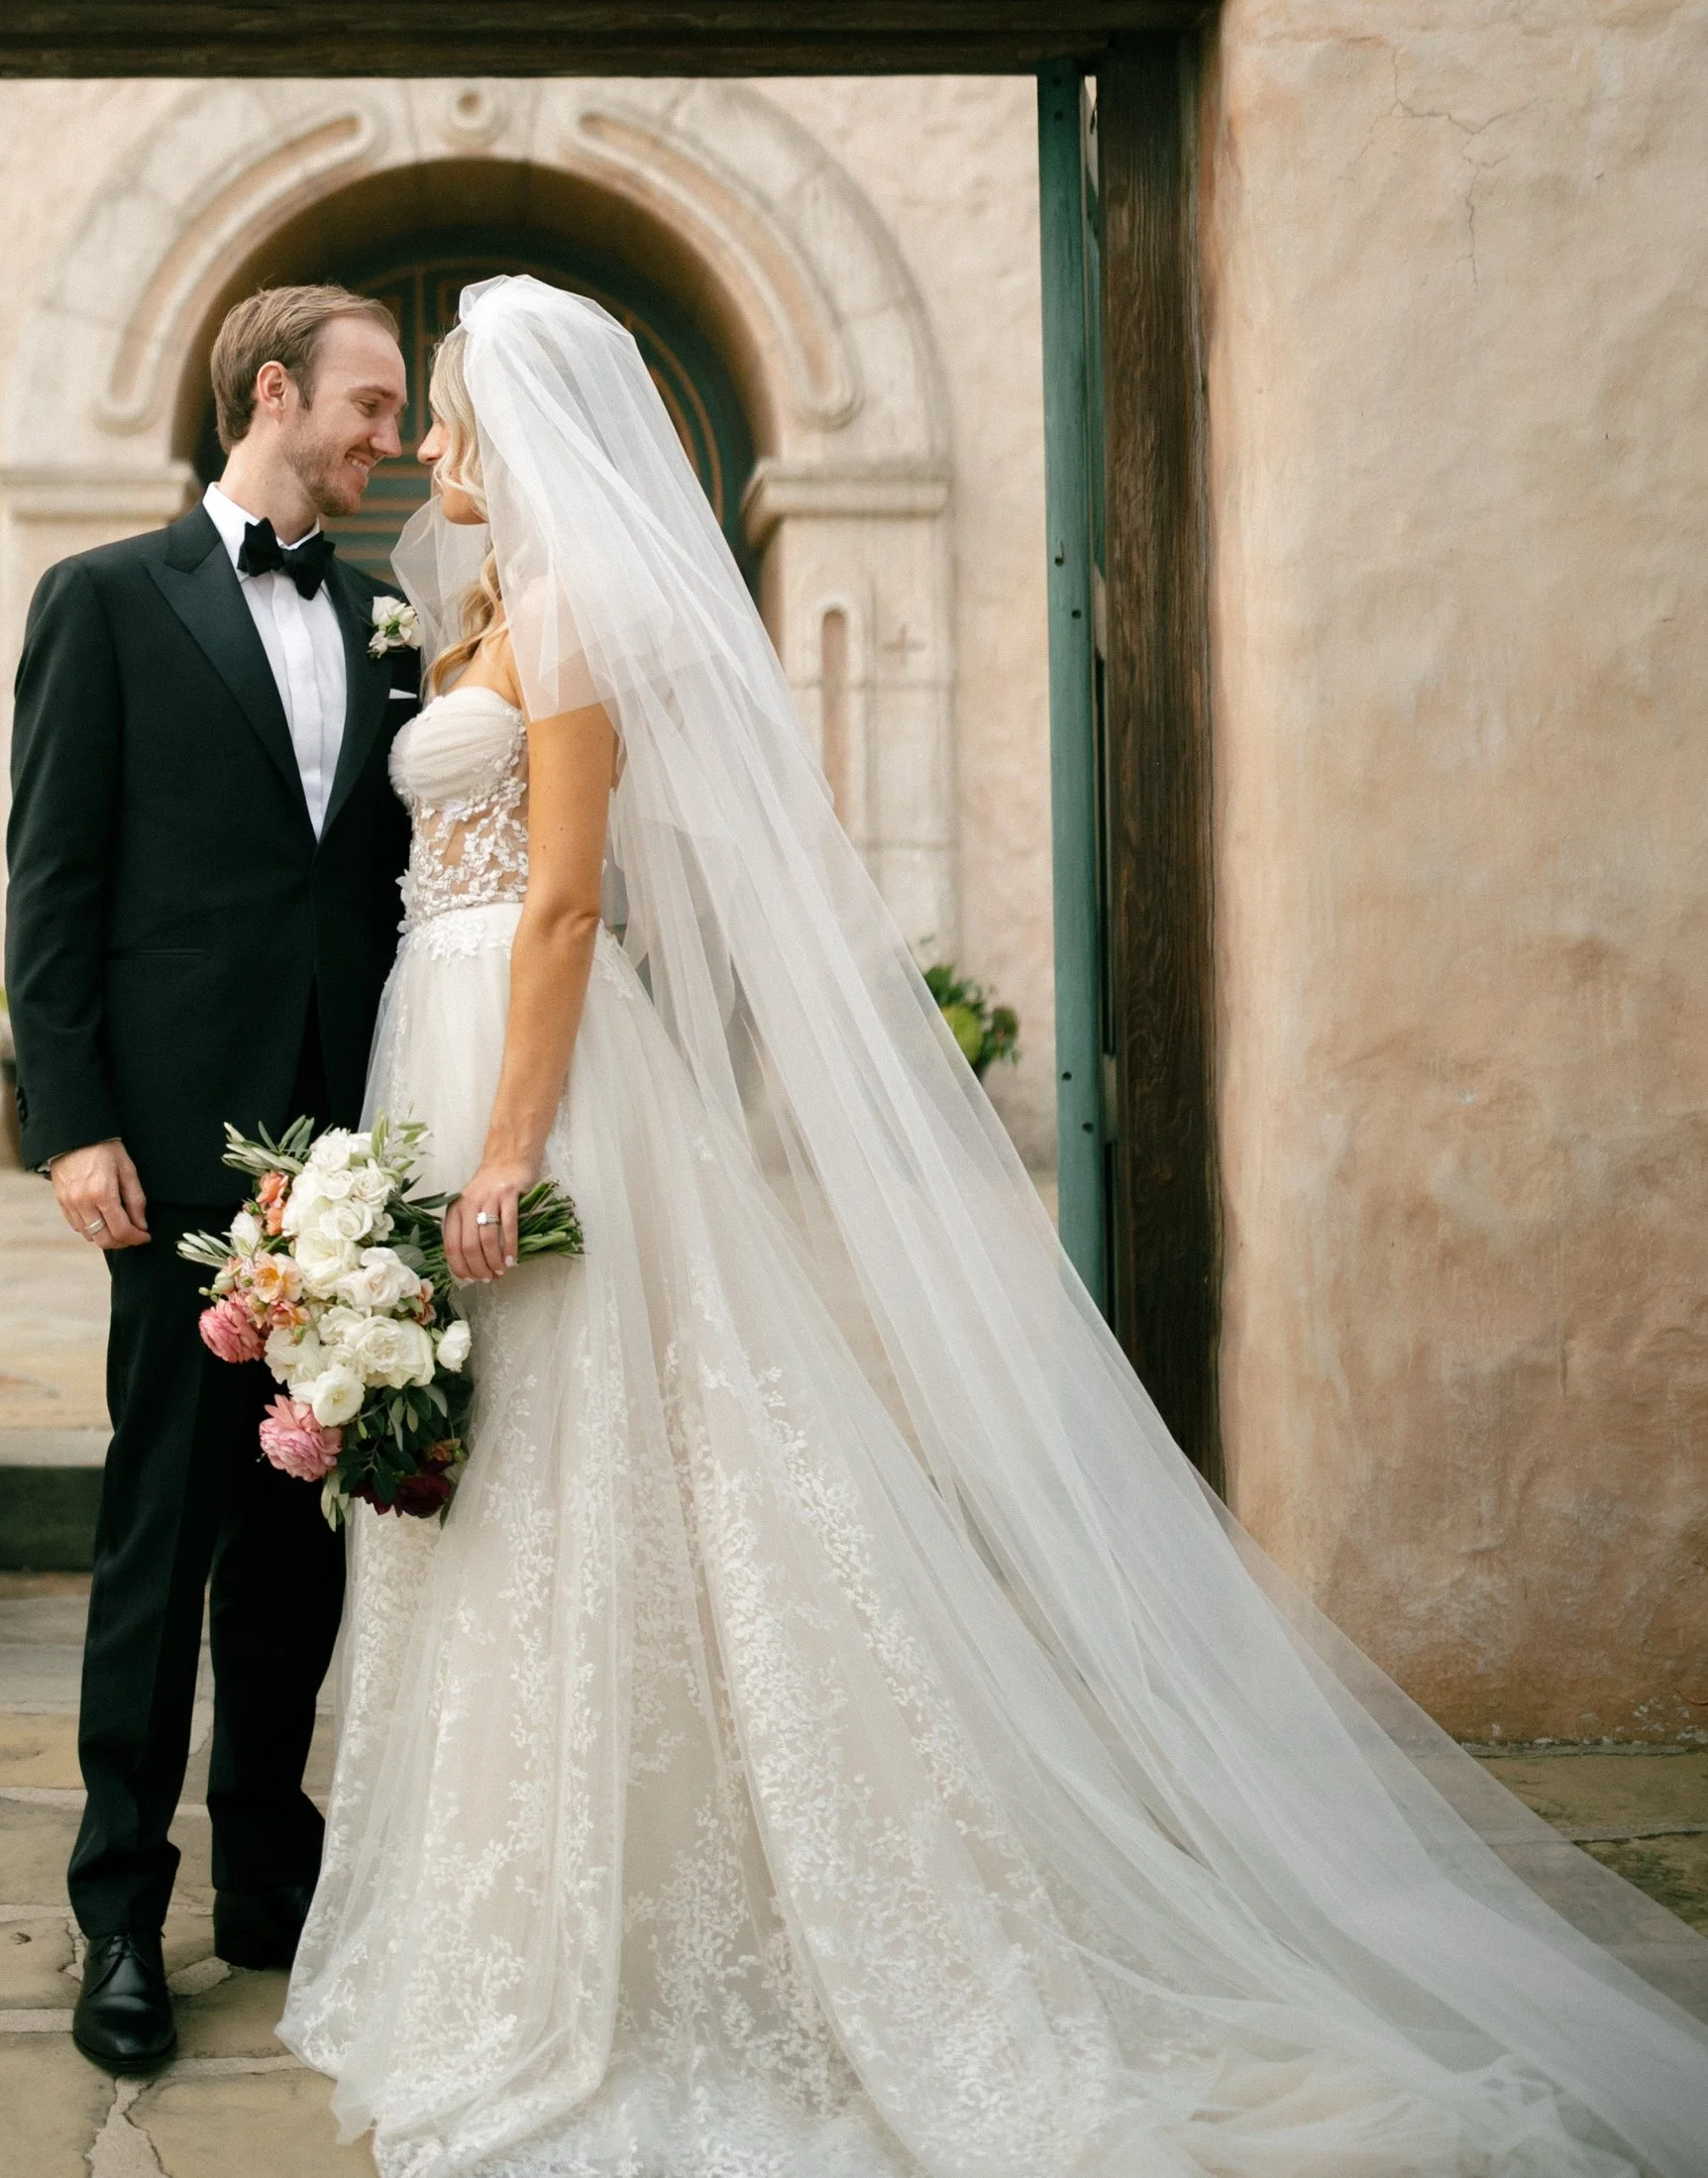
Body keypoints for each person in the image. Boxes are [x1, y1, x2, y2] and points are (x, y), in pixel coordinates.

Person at [283, 275, 1708, 2178]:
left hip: (532, 1086)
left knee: (600, 1462)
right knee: (515, 1481)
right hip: (436, 1047)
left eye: (452, 418)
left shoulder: (573, 622)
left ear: (526, 432)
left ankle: (688, 1928)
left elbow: (561, 905)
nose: (436, 448)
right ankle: (520, 1901)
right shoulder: (478, 616)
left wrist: (505, 1149)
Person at [4, 281, 419, 2076]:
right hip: (175, 1158)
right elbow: (53, 882)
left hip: (347, 1150)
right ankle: (119, 1906)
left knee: (304, 1524)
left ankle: (267, 1866)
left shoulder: (390, 617)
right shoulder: (105, 600)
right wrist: (72, 1118)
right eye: (372, 401)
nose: (390, 435)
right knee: (160, 1533)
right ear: (274, 391)